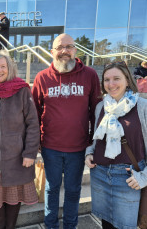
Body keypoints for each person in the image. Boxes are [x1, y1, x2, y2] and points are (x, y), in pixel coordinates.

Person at [32, 33, 101, 229]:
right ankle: (50, 225)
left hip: (78, 147)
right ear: (52, 51)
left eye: (69, 46)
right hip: (50, 146)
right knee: (51, 189)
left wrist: (92, 143)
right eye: (60, 47)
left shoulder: (90, 75)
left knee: (73, 190)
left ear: (75, 50)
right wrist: (36, 140)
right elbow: (34, 112)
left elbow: (96, 110)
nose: (64, 51)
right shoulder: (42, 77)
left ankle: (71, 226)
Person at [85, 61, 147, 229]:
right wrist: (89, 153)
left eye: (116, 78)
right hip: (99, 173)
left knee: (125, 226)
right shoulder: (101, 107)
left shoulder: (144, 107)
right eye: (106, 80)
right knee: (106, 223)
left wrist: (145, 176)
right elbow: (97, 140)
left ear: (127, 80)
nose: (111, 84)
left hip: (129, 178)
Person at [0, 51, 40, 229]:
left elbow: (33, 124)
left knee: (13, 202)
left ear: (9, 68)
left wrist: (30, 152)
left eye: (3, 66)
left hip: (18, 159)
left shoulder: (21, 90)